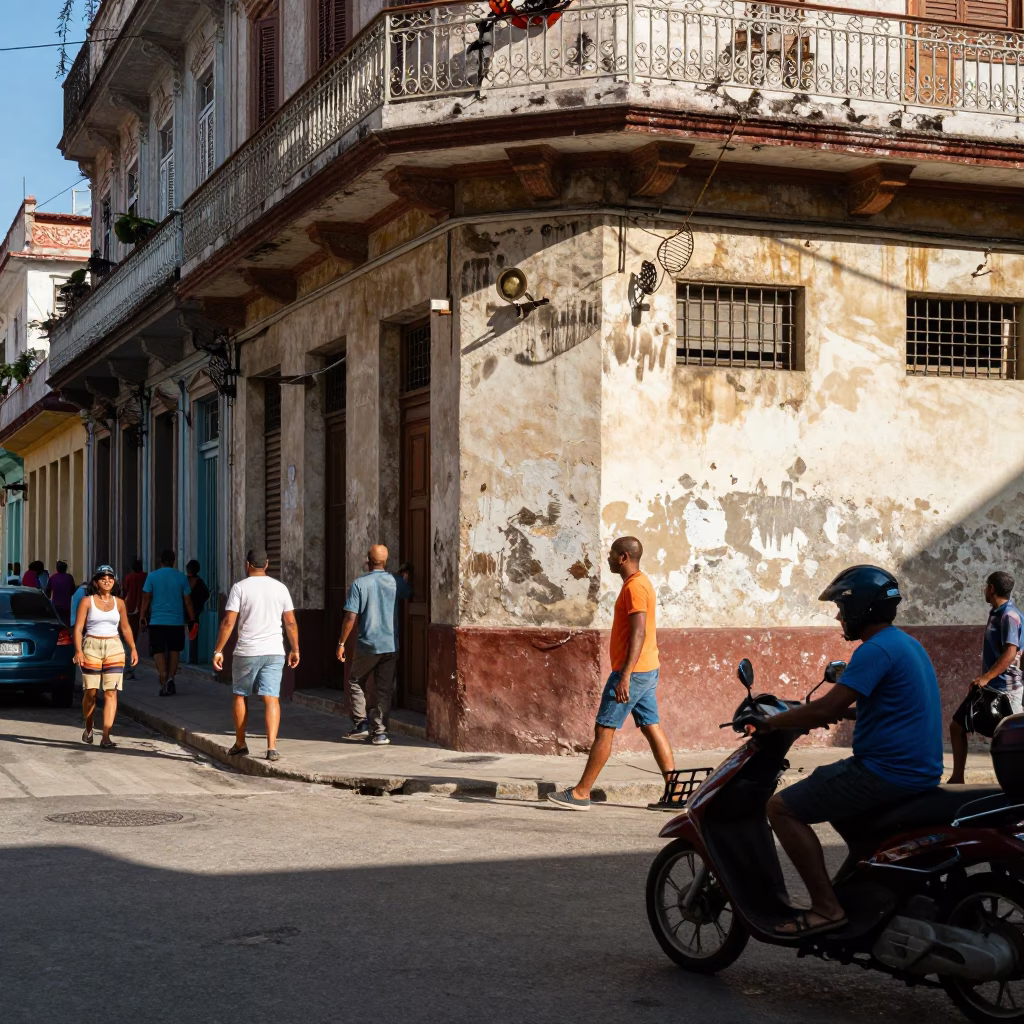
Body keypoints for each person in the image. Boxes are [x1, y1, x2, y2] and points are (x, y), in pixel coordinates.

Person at [743, 565, 942, 937]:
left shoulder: (875, 650)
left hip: (884, 773)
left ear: (860, 608)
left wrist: (773, 722)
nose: (838, 615)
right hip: (918, 771)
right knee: (838, 805)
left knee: (781, 807)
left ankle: (826, 909)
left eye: (840, 607)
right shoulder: (905, 643)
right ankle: (862, 893)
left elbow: (824, 707)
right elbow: (889, 703)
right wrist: (847, 712)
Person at [548, 536, 676, 810]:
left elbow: (638, 633)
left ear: (623, 558)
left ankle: (581, 793)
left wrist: (625, 676)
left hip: (634, 672)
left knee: (604, 728)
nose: (607, 558)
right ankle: (674, 793)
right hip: (647, 668)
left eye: (611, 554)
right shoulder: (639, 583)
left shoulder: (635, 588)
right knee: (651, 727)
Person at [211, 549, 299, 762]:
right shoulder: (280, 588)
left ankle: (241, 743)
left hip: (247, 652)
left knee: (240, 695)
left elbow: (229, 622)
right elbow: (290, 622)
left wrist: (218, 650)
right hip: (275, 651)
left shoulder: (240, 588)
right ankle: (271, 748)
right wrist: (295, 649)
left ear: (248, 565)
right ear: (267, 564)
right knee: (271, 698)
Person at [948, 571, 1024, 785]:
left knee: (1012, 738)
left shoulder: (1010, 616)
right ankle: (957, 778)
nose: (984, 590)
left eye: (985, 586)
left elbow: (1011, 653)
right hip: (990, 688)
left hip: (1007, 691)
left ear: (991, 589)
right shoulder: (996, 613)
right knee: (957, 726)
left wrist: (986, 678)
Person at [336, 544, 412, 747]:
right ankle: (379, 733)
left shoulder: (360, 584)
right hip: (390, 645)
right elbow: (407, 591)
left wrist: (342, 642)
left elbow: (351, 616)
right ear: (385, 561)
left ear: (367, 561)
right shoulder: (395, 582)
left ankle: (360, 723)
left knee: (355, 680)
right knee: (384, 689)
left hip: (368, 644)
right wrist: (403, 576)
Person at [73, 565, 138, 749]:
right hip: (91, 646)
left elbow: (125, 628)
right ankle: (89, 726)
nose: (107, 580)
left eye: (110, 577)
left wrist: (132, 648)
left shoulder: (120, 603)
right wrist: (78, 651)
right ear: (96, 582)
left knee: (111, 692)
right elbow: (78, 628)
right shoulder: (87, 602)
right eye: (103, 577)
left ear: (114, 581)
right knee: (91, 692)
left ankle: (106, 736)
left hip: (114, 647)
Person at [139, 549, 193, 696]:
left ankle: (163, 676)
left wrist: (142, 616)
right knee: (175, 651)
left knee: (158, 650)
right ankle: (170, 679)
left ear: (160, 561)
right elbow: (187, 600)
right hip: (176, 621)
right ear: (174, 561)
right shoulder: (182, 577)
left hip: (157, 621)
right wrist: (192, 619)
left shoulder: (152, 576)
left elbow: (146, 598)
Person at [121, 559, 147, 680]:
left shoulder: (129, 577)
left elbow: (124, 592)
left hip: (129, 610)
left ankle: (129, 669)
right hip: (143, 610)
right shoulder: (145, 576)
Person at [185, 559, 211, 660]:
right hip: (195, 613)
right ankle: (192, 658)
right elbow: (206, 594)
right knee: (193, 635)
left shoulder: (184, 580)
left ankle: (186, 657)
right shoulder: (200, 582)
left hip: (184, 612)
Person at [46, 560, 76, 625]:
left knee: (57, 623)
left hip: (56, 604)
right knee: (66, 623)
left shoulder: (53, 577)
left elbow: (47, 590)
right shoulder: (69, 577)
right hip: (67, 604)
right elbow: (73, 589)